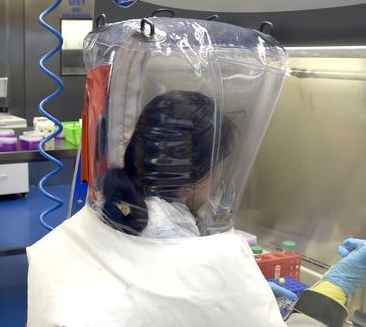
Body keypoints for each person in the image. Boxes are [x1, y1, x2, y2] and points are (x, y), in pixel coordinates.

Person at [27, 17, 355, 327]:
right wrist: (332, 289)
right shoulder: (213, 265)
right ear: (205, 170)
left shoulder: (93, 222)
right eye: (220, 167)